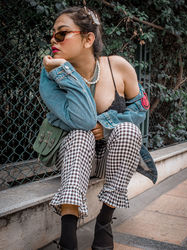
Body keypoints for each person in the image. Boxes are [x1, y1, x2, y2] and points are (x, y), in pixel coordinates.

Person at [39, 6, 157, 250]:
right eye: (51, 34)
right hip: (73, 158)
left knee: (128, 130)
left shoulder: (117, 67)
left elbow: (140, 110)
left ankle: (104, 221)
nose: (53, 39)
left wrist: (108, 125)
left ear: (88, 38)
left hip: (110, 160)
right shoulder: (51, 74)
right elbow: (82, 120)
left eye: (61, 33)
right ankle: (68, 234)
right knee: (81, 134)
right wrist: (65, 73)